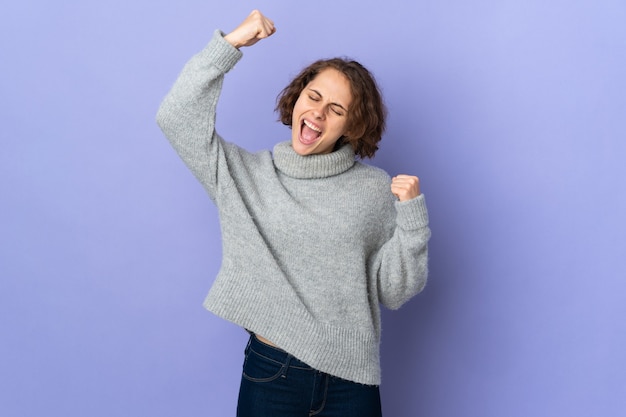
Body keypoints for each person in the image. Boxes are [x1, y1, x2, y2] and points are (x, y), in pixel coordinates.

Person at [156, 9, 431, 417]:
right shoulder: (246, 177)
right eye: (314, 97)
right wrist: (229, 45)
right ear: (297, 98)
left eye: (336, 110)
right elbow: (176, 117)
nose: (318, 113)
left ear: (353, 127)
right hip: (273, 374)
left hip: (351, 380)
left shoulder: (374, 190)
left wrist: (413, 221)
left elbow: (393, 292)